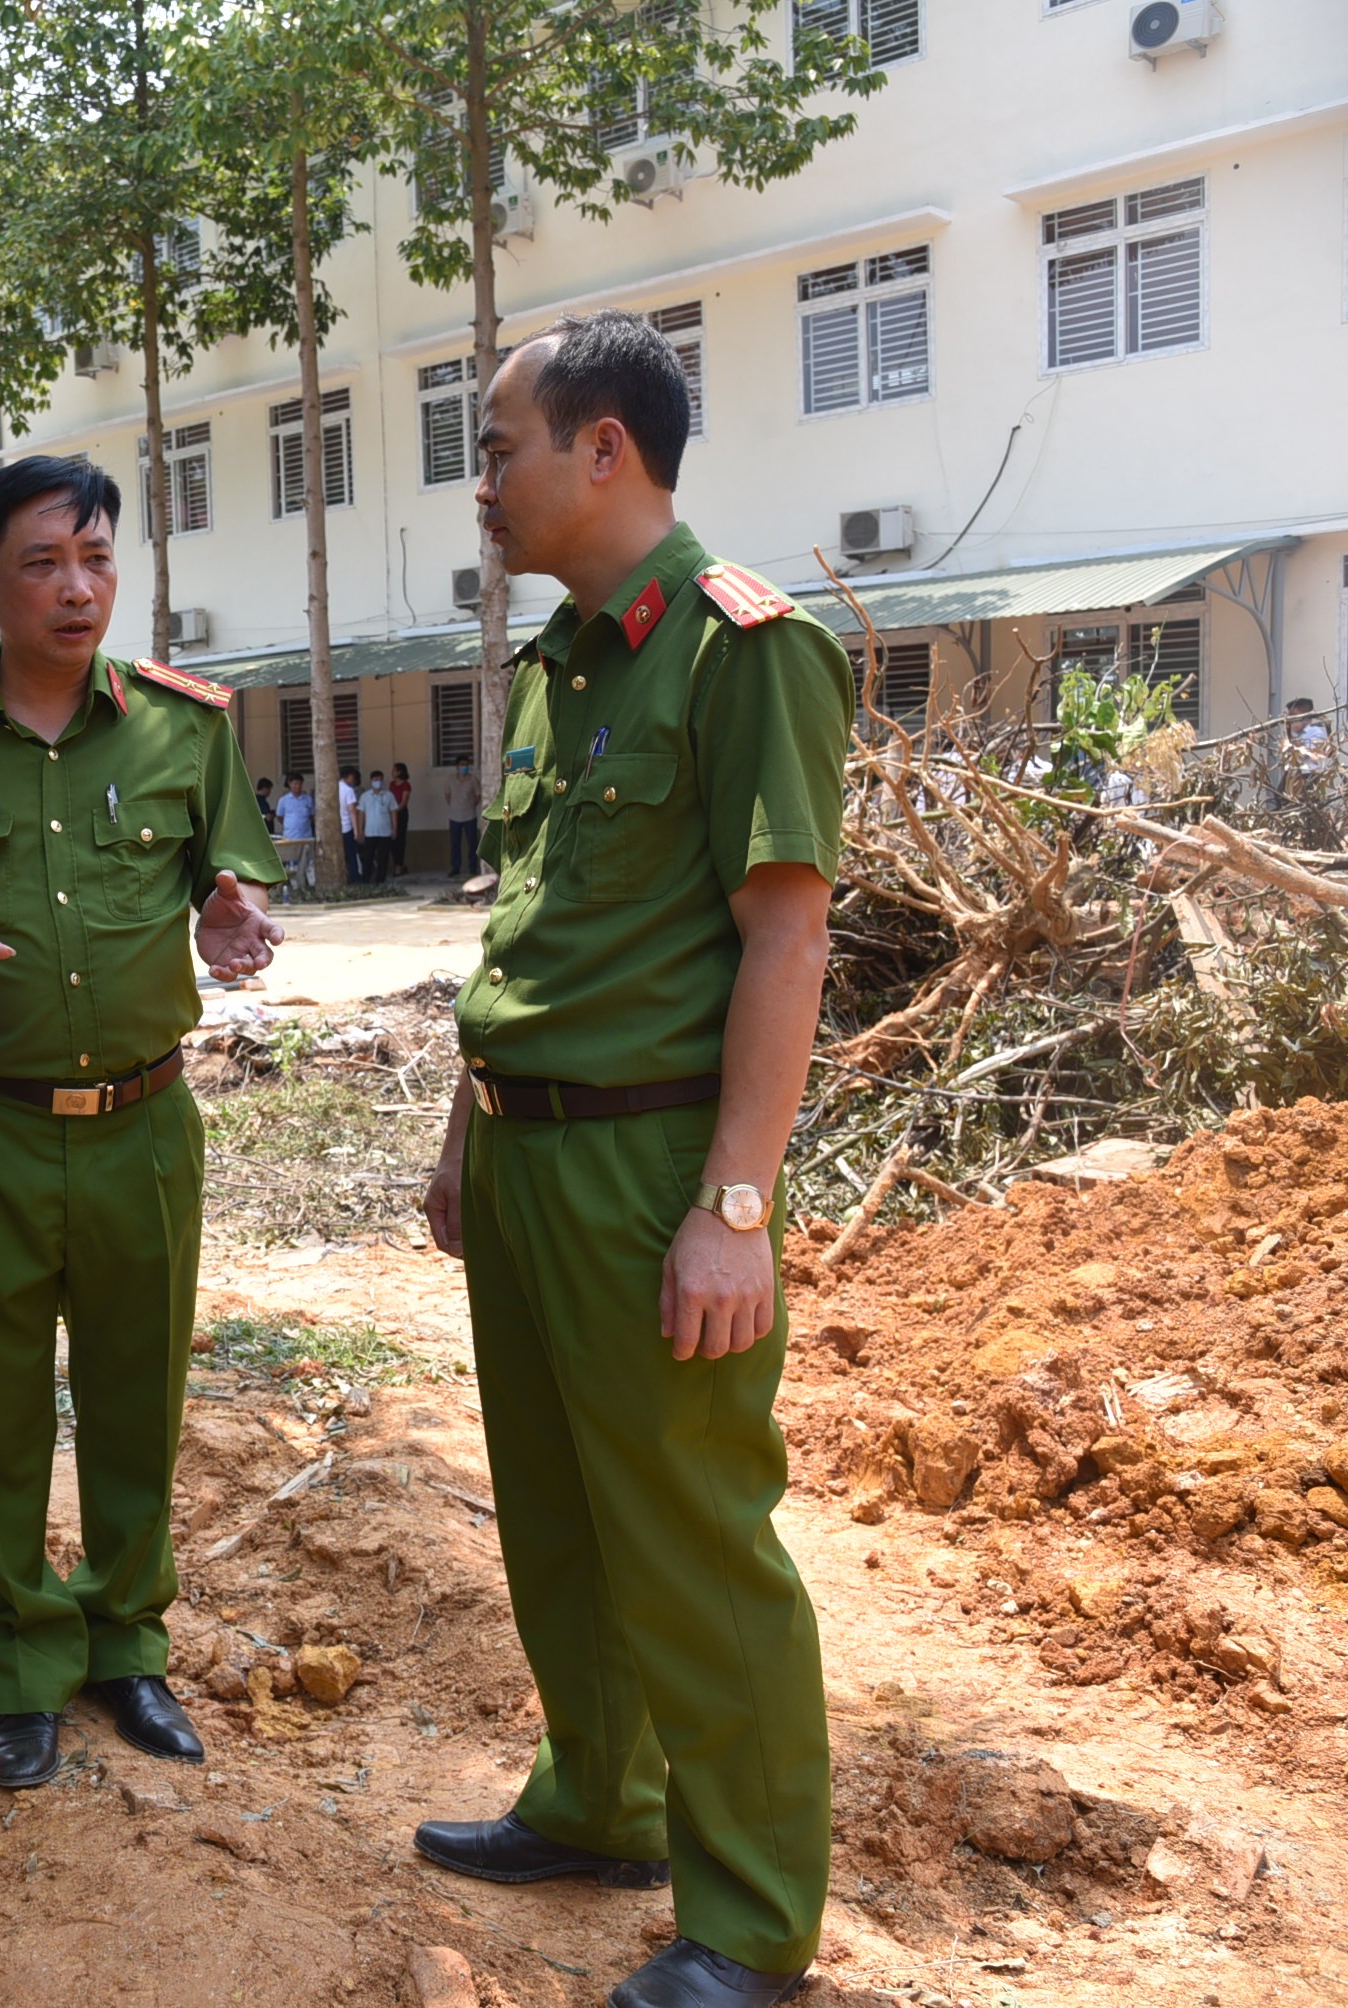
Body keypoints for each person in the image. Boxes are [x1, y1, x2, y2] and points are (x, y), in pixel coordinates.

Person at [417, 310, 850, 2008]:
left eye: (498, 443)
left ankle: (745, 1917)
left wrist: (731, 1208)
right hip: (527, 1156)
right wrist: (468, 1129)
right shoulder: (562, 665)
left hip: (649, 1164)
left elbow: (783, 939)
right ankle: (600, 1796)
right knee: (558, 1511)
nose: (482, 481)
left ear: (604, 449)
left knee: (688, 1527)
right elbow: (534, 932)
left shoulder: (741, 649)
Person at [0, 456, 285, 1793]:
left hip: (145, 1123)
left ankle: (127, 1646)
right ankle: (23, 1663)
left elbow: (233, 863)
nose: (77, 588)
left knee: (140, 1391)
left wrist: (234, 908)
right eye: (43, 563)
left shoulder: (182, 729)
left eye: (95, 557)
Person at [273, 771, 317, 893]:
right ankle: (295, 886)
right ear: (290, 784)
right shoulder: (283, 800)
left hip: (306, 836)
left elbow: (311, 815)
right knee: (291, 863)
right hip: (290, 836)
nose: (297, 786)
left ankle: (309, 885)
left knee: (308, 862)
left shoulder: (307, 799)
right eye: (294, 783)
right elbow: (280, 817)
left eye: (299, 784)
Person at [359, 769, 398, 884]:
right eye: (376, 780)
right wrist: (360, 829)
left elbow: (394, 812)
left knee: (383, 858)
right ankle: (365, 880)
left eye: (380, 780)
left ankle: (380, 881)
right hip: (369, 832)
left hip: (385, 832)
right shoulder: (365, 796)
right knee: (368, 858)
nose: (378, 782)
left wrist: (395, 829)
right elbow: (361, 813)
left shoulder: (389, 795)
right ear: (371, 780)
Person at [445, 760, 483, 878]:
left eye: (466, 765)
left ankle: (473, 867)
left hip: (469, 816)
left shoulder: (473, 780)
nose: (464, 767)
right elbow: (447, 795)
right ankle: (455, 867)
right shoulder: (450, 780)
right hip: (454, 816)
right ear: (457, 767)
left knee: (472, 843)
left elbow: (478, 796)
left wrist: (470, 805)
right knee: (455, 843)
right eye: (462, 765)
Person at [391, 760, 414, 861]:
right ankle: (396, 861)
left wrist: (395, 810)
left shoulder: (406, 785)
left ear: (399, 772)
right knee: (392, 839)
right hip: (392, 813)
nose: (392, 772)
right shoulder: (391, 784)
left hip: (401, 813)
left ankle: (399, 864)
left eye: (394, 770)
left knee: (400, 838)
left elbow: (403, 802)